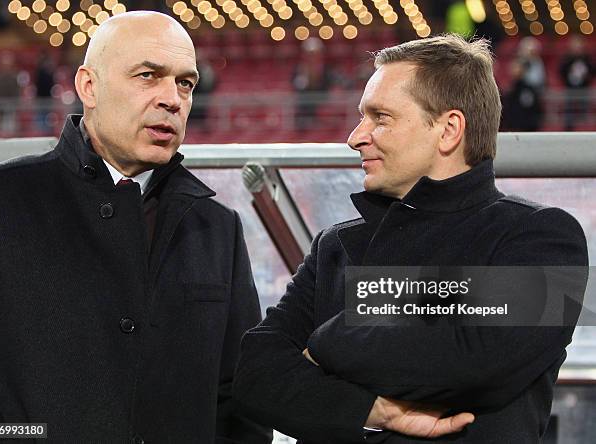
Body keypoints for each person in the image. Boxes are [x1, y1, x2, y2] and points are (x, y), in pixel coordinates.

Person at [234, 34, 588, 443]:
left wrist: (326, 342)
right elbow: (255, 374)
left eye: (380, 117)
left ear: (448, 130)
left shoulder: (540, 237)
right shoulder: (336, 245)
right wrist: (374, 410)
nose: (355, 136)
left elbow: (475, 354)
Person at [0, 11, 271, 443]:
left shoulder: (217, 228)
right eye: (148, 76)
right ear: (89, 87)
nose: (172, 99)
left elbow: (239, 400)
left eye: (185, 83)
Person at [559, 35, 594, 131]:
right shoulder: (567, 58)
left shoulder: (587, 58)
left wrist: (586, 77)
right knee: (569, 113)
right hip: (570, 89)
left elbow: (592, 71)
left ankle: (587, 132)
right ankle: (568, 131)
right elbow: (561, 71)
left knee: (585, 112)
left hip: (583, 89)